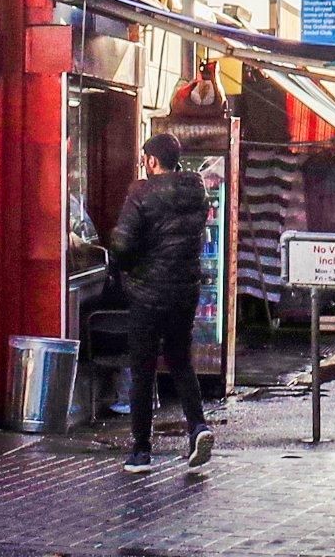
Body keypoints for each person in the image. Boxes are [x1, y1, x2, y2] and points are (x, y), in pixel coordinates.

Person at [109, 132, 213, 475]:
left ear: (152, 160)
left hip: (148, 293)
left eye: (145, 158)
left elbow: (123, 243)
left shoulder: (141, 192)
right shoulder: (196, 191)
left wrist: (123, 266)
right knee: (180, 360)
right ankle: (198, 426)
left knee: (142, 369)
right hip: (184, 292)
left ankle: (141, 451)